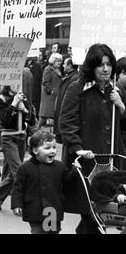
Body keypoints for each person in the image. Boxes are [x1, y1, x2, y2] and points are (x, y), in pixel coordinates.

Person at [59, 43, 126, 234]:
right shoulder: (77, 89)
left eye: (109, 64)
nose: (105, 69)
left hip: (111, 160)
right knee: (91, 212)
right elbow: (66, 122)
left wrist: (121, 106)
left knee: (102, 212)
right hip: (88, 161)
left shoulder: (114, 90)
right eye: (100, 65)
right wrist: (77, 147)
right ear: (91, 66)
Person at [11, 130, 73, 234]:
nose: (52, 151)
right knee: (38, 231)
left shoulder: (59, 166)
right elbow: (18, 188)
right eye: (47, 148)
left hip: (53, 210)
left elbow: (68, 182)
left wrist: (75, 172)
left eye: (54, 147)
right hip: (35, 209)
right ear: (35, 150)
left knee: (53, 232)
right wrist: (17, 205)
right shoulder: (25, 167)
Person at [0, 86, 36, 211]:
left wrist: (25, 110)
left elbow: (32, 121)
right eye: (14, 82)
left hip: (21, 137)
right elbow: (4, 120)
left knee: (14, 172)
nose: (17, 85)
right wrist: (14, 104)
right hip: (8, 138)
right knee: (18, 171)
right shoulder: (1, 99)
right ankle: (22, 204)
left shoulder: (23, 97)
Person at [54, 58, 79, 145]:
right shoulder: (70, 76)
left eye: (65, 64)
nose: (63, 65)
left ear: (70, 66)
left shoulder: (74, 78)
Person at [38, 53, 63, 129]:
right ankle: (37, 131)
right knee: (44, 116)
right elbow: (45, 82)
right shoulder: (48, 69)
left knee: (52, 116)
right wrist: (51, 91)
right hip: (49, 97)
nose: (60, 63)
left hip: (54, 96)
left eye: (60, 61)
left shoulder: (56, 70)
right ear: (53, 61)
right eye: (58, 61)